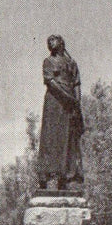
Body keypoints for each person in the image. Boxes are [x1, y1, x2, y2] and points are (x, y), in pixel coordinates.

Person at [37, 34, 84, 190]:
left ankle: (67, 177)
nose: (50, 43)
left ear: (61, 42)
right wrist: (68, 98)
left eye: (53, 40)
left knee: (68, 139)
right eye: (48, 41)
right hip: (54, 104)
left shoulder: (72, 63)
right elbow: (50, 82)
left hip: (69, 107)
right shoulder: (48, 62)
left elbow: (76, 83)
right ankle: (49, 177)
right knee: (51, 138)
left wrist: (77, 104)